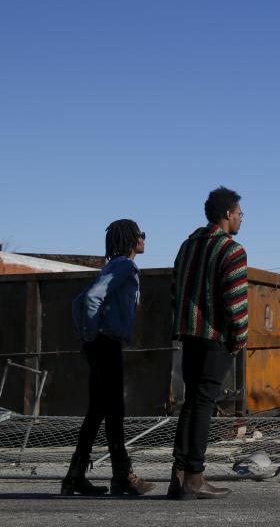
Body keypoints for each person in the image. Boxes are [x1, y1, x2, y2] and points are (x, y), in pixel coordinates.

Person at [62, 219, 156, 496]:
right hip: (106, 344)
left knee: (99, 411)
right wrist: (92, 335)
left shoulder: (113, 266)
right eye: (141, 234)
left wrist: (87, 335)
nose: (144, 239)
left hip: (102, 343)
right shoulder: (124, 266)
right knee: (114, 411)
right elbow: (90, 298)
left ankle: (75, 476)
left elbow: (77, 301)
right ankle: (122, 475)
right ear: (130, 239)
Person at [168, 186, 248, 500]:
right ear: (228, 214)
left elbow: (175, 291)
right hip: (216, 339)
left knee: (191, 403)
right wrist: (239, 337)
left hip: (189, 336)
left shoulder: (187, 246)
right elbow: (235, 300)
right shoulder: (232, 250)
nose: (242, 219)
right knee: (203, 405)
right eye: (240, 213)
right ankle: (195, 478)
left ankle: (178, 476)